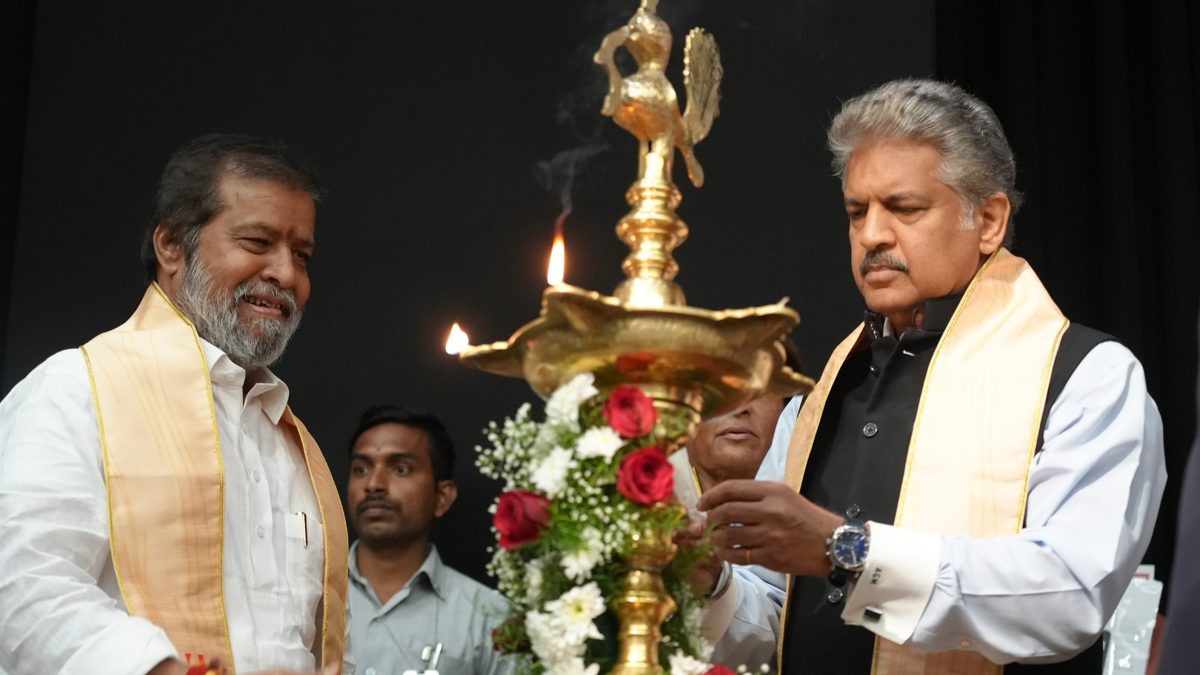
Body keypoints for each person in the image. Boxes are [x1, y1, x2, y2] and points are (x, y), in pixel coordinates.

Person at [696, 79, 1166, 674]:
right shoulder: (816, 403)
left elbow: (1068, 595)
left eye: (904, 208)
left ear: (989, 221)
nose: (872, 235)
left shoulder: (1083, 376)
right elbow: (776, 620)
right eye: (856, 211)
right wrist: (712, 586)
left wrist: (846, 552)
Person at [0, 134, 350, 675]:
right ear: (170, 246)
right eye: (258, 242)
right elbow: (21, 587)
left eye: (301, 255)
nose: (287, 274)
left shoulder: (287, 438)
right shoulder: (77, 388)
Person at [345, 405, 511, 675]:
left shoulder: (491, 617)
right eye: (361, 469)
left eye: (400, 469)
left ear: (442, 497)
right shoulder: (309, 598)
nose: (374, 484)